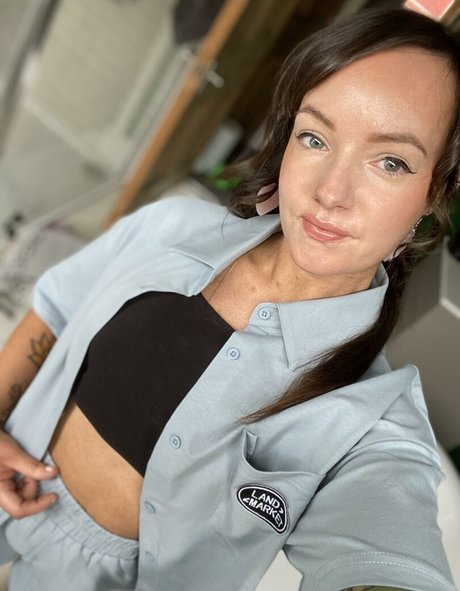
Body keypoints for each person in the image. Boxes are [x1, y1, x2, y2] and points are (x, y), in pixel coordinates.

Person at [0, 7, 458, 591]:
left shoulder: (371, 421)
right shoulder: (171, 225)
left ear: (435, 191)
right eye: (314, 137)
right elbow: (56, 310)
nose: (330, 192)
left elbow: (385, 551)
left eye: (390, 162)